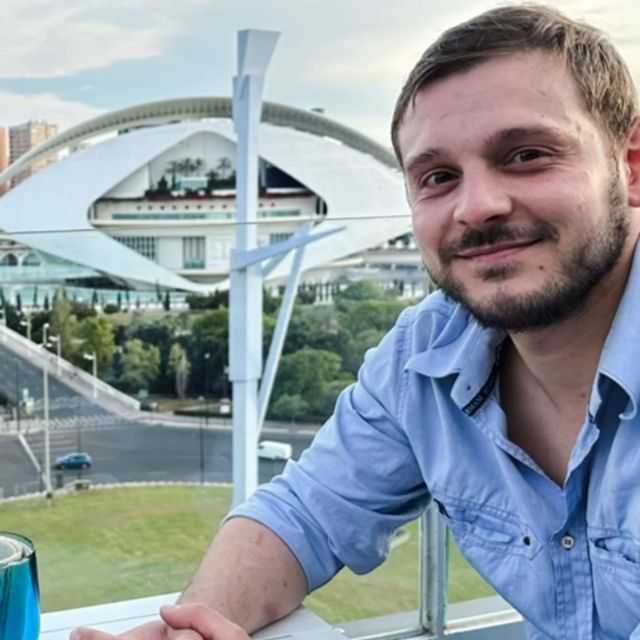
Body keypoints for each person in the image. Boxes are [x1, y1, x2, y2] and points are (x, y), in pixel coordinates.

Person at [72, 4, 640, 639]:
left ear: (632, 166)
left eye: (527, 154)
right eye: (438, 177)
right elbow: (305, 515)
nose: (476, 207)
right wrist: (197, 627)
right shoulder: (428, 353)